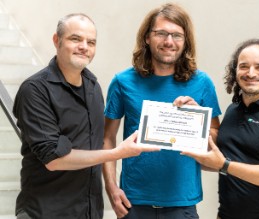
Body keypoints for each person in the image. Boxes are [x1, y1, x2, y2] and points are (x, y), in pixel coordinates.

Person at [13, 13, 159, 219]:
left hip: (88, 211)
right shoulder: (35, 90)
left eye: (91, 42)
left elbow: (92, 145)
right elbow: (54, 159)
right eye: (76, 39)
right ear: (57, 40)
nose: (84, 46)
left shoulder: (93, 87)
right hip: (45, 212)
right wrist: (118, 152)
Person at [103, 3, 221, 219]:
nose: (169, 41)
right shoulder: (122, 82)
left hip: (182, 203)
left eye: (177, 35)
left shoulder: (202, 83)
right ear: (147, 37)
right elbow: (107, 138)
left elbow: (215, 137)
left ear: (185, 42)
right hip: (133, 202)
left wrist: (197, 121)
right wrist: (111, 189)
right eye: (161, 33)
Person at [181, 39, 259, 219]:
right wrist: (192, 117)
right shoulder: (233, 111)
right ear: (235, 72)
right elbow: (217, 160)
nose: (251, 73)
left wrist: (225, 165)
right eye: (244, 66)